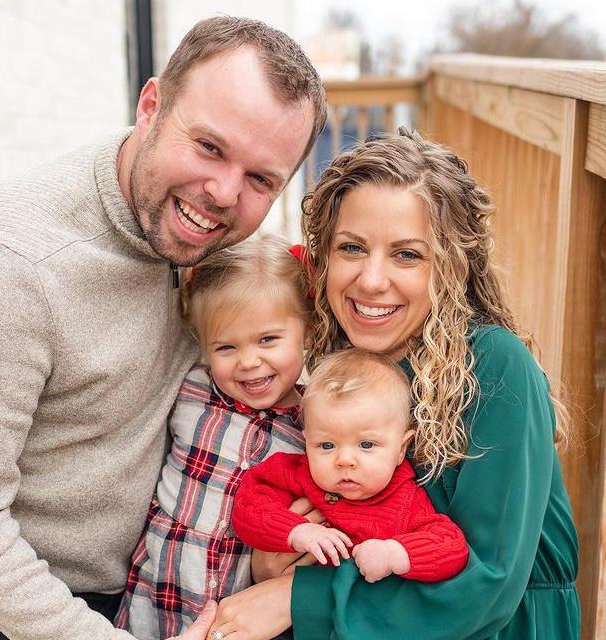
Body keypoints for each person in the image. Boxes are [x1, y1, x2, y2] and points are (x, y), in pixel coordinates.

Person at [0, 15, 325, 640]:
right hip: (26, 606)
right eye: (209, 146)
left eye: (261, 178)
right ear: (151, 104)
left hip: (170, 580)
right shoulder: (10, 267)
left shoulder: (204, 240)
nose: (220, 192)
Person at [205, 129, 579, 640]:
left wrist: (296, 596)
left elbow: (488, 583)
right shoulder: (335, 359)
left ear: (449, 265)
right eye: (352, 248)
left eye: (407, 255)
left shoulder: (494, 366)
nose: (372, 280)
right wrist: (271, 564)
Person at [114, 234, 312, 639]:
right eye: (226, 346)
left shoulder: (312, 424)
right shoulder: (193, 387)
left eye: (268, 339)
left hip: (241, 609)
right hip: (158, 592)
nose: (249, 361)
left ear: (308, 330)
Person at [232, 348, 469, 584]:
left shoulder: (404, 502)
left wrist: (395, 553)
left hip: (350, 614)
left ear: (401, 449)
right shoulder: (296, 474)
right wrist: (296, 532)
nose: (344, 460)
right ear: (307, 441)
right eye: (326, 445)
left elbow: (451, 546)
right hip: (289, 614)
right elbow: (249, 506)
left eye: (366, 444)